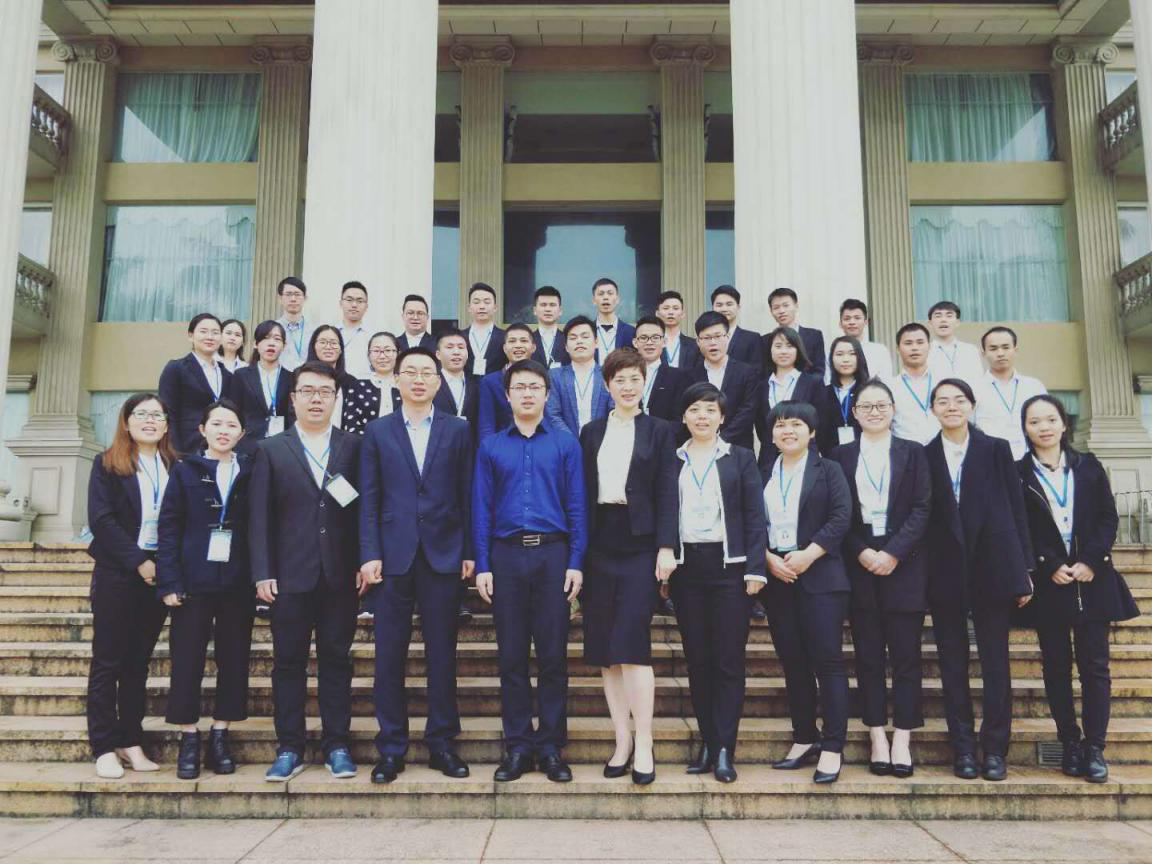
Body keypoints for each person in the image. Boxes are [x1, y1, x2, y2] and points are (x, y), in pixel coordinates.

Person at [359, 347, 475, 783]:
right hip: (392, 557)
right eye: (410, 371)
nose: (419, 379)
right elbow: (369, 497)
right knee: (389, 657)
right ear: (397, 380)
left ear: (439, 381)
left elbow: (467, 493)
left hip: (444, 555)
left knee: (442, 655)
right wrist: (369, 553)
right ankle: (391, 748)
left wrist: (470, 551)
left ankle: (442, 743)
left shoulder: (458, 429)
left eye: (427, 372)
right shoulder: (378, 431)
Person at [249, 361, 364, 782]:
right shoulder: (270, 449)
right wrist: (262, 571)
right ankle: (289, 747)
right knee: (288, 663)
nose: (317, 399)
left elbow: (362, 510)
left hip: (340, 575)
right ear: (293, 398)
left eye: (325, 392)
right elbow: (258, 517)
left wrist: (363, 560)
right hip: (288, 576)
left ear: (336, 399)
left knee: (336, 661)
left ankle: (337, 745)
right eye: (308, 391)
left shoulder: (354, 446)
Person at [473, 359, 587, 783]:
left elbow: (577, 506)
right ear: (507, 396)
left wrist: (576, 561)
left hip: (553, 556)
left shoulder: (565, 444)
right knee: (512, 656)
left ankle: (552, 746)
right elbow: (481, 508)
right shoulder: (491, 447)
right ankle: (519, 746)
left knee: (553, 656)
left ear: (546, 394)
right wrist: (483, 564)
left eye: (534, 387)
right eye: (519, 387)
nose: (526, 393)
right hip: (506, 557)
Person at [1017, 394, 1139, 784]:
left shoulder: (1088, 466)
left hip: (1092, 579)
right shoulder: (1019, 473)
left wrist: (1091, 560)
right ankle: (1069, 742)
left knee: (1095, 667)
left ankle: (1095, 748)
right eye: (1035, 421)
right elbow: (1021, 527)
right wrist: (1048, 563)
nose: (1044, 427)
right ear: (1025, 429)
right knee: (1056, 666)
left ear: (1064, 424)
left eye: (1050, 419)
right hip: (1050, 583)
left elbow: (1107, 517)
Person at [924, 378, 1033, 782]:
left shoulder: (996, 449)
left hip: (992, 566)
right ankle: (964, 748)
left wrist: (1024, 569)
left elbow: (1016, 509)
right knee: (952, 664)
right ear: (932, 409)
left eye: (959, 400)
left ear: (971, 406)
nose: (951, 406)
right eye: (942, 401)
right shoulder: (924, 454)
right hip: (945, 571)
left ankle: (995, 749)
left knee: (995, 663)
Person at [579, 350, 678, 785]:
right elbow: (582, 492)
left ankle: (645, 741)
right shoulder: (591, 431)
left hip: (641, 545)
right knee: (606, 652)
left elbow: (668, 492)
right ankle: (621, 739)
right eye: (619, 379)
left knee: (633, 646)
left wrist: (666, 547)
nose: (627, 386)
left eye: (634, 378)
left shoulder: (660, 430)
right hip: (600, 544)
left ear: (644, 382)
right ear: (607, 385)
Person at [827, 380, 931, 778]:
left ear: (892, 410)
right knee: (868, 657)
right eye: (866, 406)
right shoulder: (840, 455)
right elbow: (838, 511)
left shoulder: (914, 452)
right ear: (854, 413)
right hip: (859, 562)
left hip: (904, 561)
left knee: (906, 657)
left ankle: (902, 737)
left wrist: (893, 553)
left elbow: (923, 508)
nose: (874, 412)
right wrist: (861, 551)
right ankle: (876, 735)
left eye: (881, 405)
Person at [671, 382, 766, 783]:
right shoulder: (673, 458)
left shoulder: (740, 458)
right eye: (695, 409)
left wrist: (756, 568)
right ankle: (709, 741)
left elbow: (754, 515)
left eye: (710, 410)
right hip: (687, 569)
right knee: (698, 660)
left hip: (730, 568)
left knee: (728, 660)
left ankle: (726, 746)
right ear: (684, 416)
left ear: (722, 417)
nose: (703, 416)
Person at [156, 400, 253, 780]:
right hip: (191, 582)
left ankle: (220, 735)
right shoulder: (185, 471)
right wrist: (169, 581)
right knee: (187, 660)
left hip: (237, 583)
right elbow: (169, 527)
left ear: (242, 433)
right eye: (216, 424)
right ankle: (188, 737)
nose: (223, 431)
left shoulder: (251, 471)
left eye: (231, 425)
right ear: (202, 429)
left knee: (234, 660)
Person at [85, 393, 176, 779]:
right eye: (142, 414)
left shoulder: (175, 465)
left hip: (157, 577)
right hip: (118, 573)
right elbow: (102, 520)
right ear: (126, 421)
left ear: (167, 425)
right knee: (108, 661)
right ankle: (103, 745)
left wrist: (163, 567)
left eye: (158, 415)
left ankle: (130, 739)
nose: (150, 420)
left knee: (138, 662)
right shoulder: (108, 463)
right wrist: (138, 561)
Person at [762, 401, 852, 784]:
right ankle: (804, 737)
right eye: (781, 425)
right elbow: (750, 520)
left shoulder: (829, 469)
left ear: (812, 432)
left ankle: (832, 745)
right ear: (771, 434)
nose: (788, 431)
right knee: (793, 662)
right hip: (778, 578)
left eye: (797, 424)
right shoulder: (763, 472)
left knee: (827, 662)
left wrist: (810, 554)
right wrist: (767, 558)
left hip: (821, 576)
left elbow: (841, 516)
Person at [158, 313, 234, 455]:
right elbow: (167, 413)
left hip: (221, 448)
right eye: (203, 331)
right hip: (187, 448)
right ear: (191, 336)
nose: (210, 337)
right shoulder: (176, 368)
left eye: (215, 332)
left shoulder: (227, 375)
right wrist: (174, 452)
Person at [684, 311, 759, 450]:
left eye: (718, 336)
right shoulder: (689, 375)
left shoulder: (747, 372)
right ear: (698, 341)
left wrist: (721, 439)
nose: (713, 343)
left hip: (738, 447)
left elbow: (748, 410)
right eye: (707, 338)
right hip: (700, 446)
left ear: (728, 337)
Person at [754, 326, 824, 470]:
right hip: (768, 458)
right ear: (770, 350)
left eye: (789, 346)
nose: (783, 351)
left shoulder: (813, 382)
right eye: (778, 346)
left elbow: (822, 421)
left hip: (805, 455)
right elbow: (761, 425)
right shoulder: (761, 385)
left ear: (798, 349)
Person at [975, 326, 1047, 459]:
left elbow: (1046, 422)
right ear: (983, 353)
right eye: (993, 349)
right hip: (989, 460)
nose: (1000, 353)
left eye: (1006, 347)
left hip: (1031, 460)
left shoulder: (1034, 386)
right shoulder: (974, 388)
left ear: (1015, 350)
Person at [232, 320, 295, 451]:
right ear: (256, 344)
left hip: (281, 446)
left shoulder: (291, 378)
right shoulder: (241, 375)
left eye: (277, 339)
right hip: (247, 446)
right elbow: (233, 412)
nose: (271, 343)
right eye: (266, 338)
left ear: (284, 345)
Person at [547, 316, 613, 436]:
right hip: (566, 443)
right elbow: (553, 415)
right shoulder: (555, 376)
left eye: (585, 337)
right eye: (573, 338)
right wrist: (571, 441)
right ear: (566, 347)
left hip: (602, 441)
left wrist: (596, 441)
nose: (579, 341)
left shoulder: (608, 374)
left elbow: (614, 411)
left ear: (596, 342)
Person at [477, 323, 537, 438]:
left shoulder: (544, 379)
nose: (518, 345)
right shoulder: (490, 382)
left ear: (533, 347)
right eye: (512, 341)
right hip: (502, 444)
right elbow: (486, 425)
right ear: (505, 348)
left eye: (524, 341)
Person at [887, 323, 940, 446]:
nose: (914, 348)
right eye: (908, 343)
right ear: (898, 349)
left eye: (920, 342)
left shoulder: (943, 382)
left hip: (941, 451)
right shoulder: (889, 387)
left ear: (929, 346)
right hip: (905, 452)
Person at [817, 335, 870, 454]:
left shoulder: (870, 391)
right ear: (831, 359)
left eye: (852, 354)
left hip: (866, 455)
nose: (846, 359)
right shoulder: (821, 393)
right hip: (830, 458)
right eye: (839, 354)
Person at [342, 332, 402, 434]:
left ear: (398, 354)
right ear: (369, 355)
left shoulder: (407, 385)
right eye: (376, 351)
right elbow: (351, 425)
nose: (382, 356)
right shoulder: (357, 386)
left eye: (388, 350)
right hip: (365, 443)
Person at [632, 316, 686, 422]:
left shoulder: (678, 377)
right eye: (643, 337)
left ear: (664, 342)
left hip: (665, 432)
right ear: (635, 343)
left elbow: (679, 419)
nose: (649, 342)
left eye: (655, 337)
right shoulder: (626, 375)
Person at [768, 287, 826, 378]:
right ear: (771, 311)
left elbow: (819, 371)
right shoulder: (765, 340)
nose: (781, 311)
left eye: (786, 305)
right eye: (776, 307)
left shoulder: (814, 336)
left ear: (796, 306)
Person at [304, 325, 353, 430]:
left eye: (333, 343)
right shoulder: (301, 377)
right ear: (314, 346)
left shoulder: (351, 382)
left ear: (341, 349)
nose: (328, 347)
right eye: (323, 342)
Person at [926, 301, 984, 386]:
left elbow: (978, 379)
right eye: (938, 316)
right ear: (930, 323)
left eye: (949, 316)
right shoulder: (925, 351)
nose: (943, 320)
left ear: (957, 322)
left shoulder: (970, 350)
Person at [836, 299, 892, 382]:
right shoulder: (834, 352)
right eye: (847, 319)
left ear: (866, 322)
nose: (852, 322)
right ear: (840, 324)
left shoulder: (880, 351)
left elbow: (886, 381)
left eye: (857, 318)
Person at [434, 329, 479, 429]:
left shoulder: (477, 384)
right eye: (449, 347)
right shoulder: (430, 383)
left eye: (461, 347)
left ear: (467, 353)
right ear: (438, 354)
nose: (456, 352)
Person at [462, 282, 507, 378]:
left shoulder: (505, 337)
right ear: (469, 308)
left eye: (487, 302)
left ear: (495, 307)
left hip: (495, 386)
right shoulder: (459, 337)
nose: (481, 306)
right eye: (476, 302)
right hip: (467, 386)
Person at [712, 285, 762, 367]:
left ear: (738, 307)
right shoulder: (705, 338)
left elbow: (757, 370)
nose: (724, 309)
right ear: (713, 308)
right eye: (719, 305)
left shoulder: (752, 339)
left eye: (729, 304)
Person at [592, 277, 636, 363]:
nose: (605, 297)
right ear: (594, 300)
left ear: (617, 299)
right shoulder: (587, 331)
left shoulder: (630, 332)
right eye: (601, 294)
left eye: (610, 293)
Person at [656, 290, 700, 369]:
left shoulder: (694, 345)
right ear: (657, 314)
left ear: (682, 314)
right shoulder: (651, 343)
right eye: (666, 308)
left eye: (675, 308)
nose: (671, 312)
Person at [337, 281, 372, 379]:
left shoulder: (373, 336)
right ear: (341, 303)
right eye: (349, 300)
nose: (354, 305)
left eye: (360, 301)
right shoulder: (330, 333)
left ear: (366, 306)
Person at [275, 276, 310, 371]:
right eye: (288, 294)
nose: (293, 299)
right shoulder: (272, 329)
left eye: (297, 294)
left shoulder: (314, 330)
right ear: (280, 298)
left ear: (305, 298)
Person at [531, 285, 568, 368]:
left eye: (552, 305)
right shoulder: (528, 340)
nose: (548, 309)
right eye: (543, 305)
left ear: (560, 311)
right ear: (535, 310)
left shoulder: (568, 339)